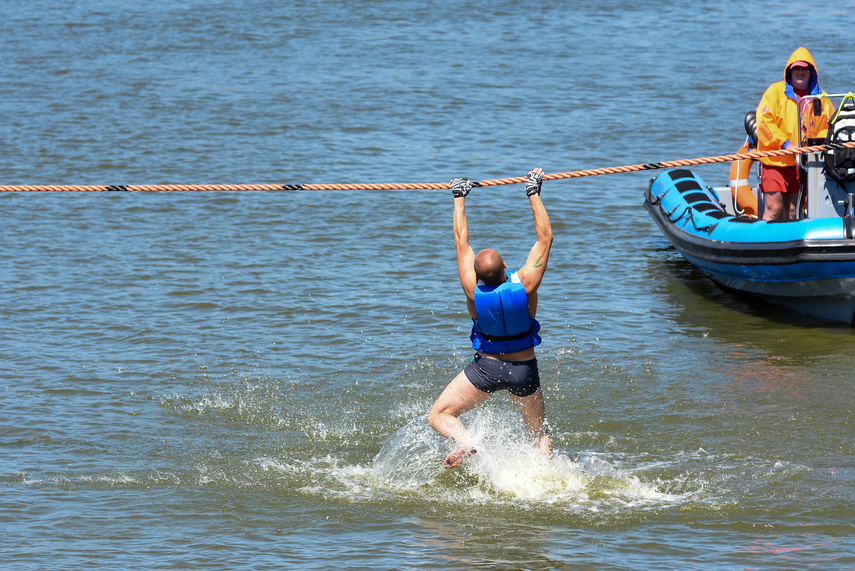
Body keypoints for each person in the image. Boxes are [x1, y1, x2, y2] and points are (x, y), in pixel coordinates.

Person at [427, 168, 554, 469]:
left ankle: (466, 442)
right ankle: (545, 480)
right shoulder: (525, 283)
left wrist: (459, 197)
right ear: (506, 266)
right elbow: (545, 238)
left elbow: (461, 243)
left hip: (486, 368)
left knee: (439, 415)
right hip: (523, 369)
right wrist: (533, 191)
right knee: (539, 436)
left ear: (477, 274)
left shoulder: (472, 290)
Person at [756, 46, 834, 221]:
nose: (800, 72)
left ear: (811, 72)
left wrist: (811, 146)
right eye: (796, 68)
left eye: (805, 68)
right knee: (774, 209)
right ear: (789, 72)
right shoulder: (774, 92)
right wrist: (786, 144)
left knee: (793, 213)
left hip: (804, 164)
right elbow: (764, 122)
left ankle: (789, 247)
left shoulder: (823, 98)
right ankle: (766, 245)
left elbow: (829, 127)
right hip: (775, 160)